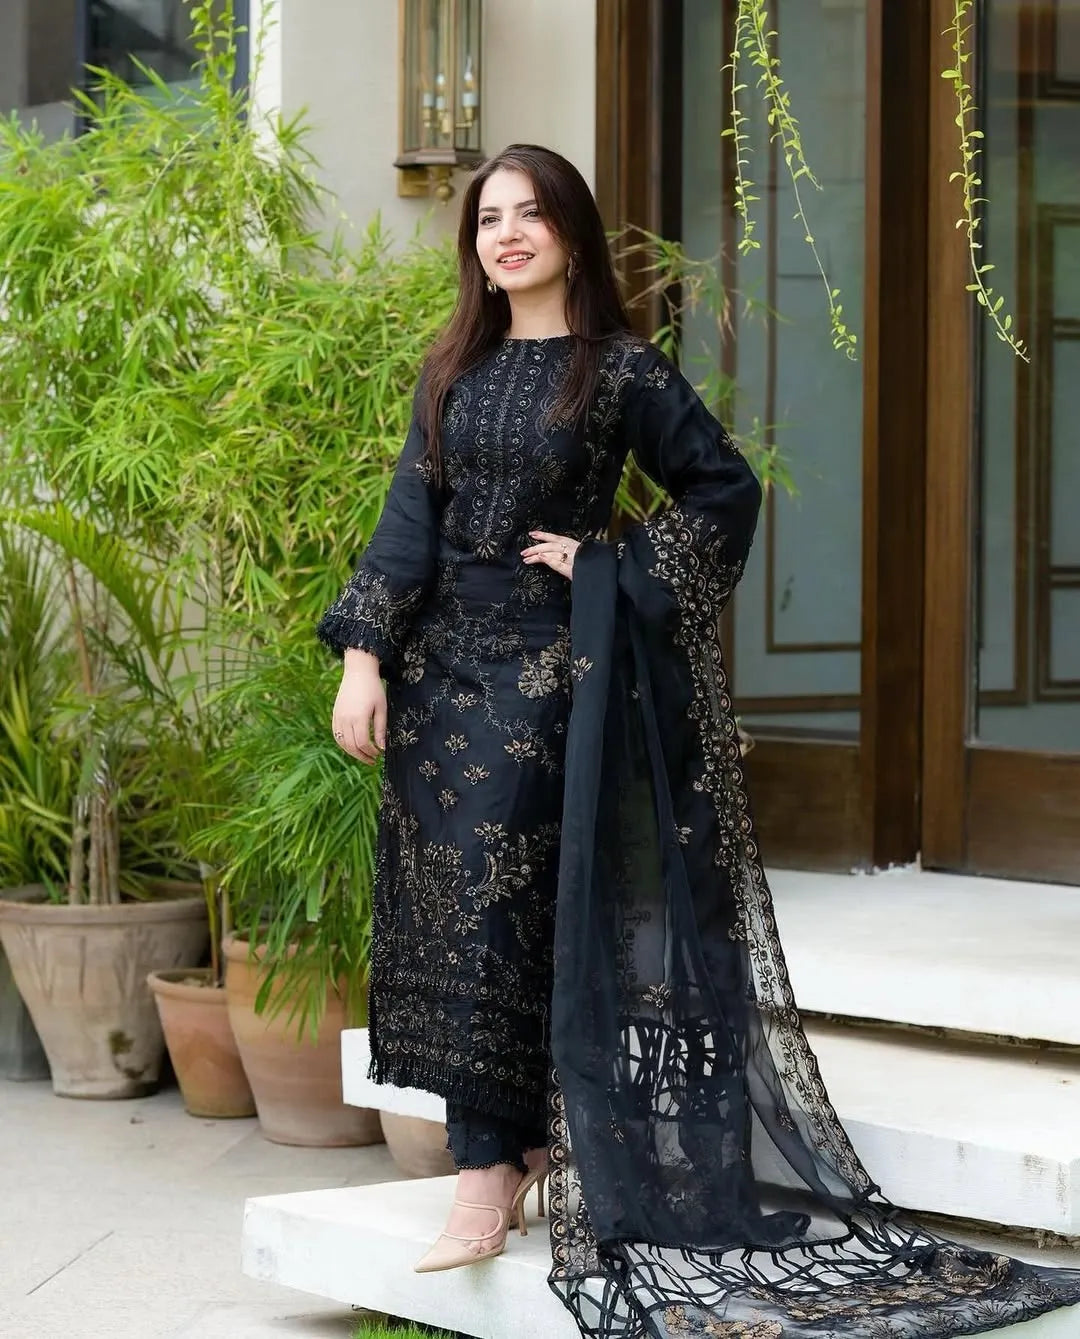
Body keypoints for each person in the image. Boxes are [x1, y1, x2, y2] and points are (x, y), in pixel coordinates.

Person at [318, 144, 1080, 1337]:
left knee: (511, 910)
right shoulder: (452, 368)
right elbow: (407, 520)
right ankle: (512, 1149)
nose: (506, 234)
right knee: (456, 915)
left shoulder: (618, 370)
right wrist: (364, 661)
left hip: (548, 674)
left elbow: (723, 489)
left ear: (571, 230)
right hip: (439, 683)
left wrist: (608, 564)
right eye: (488, 218)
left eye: (529, 214)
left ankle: (483, 1171)